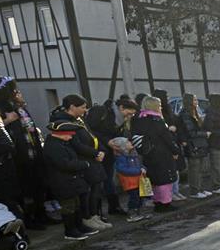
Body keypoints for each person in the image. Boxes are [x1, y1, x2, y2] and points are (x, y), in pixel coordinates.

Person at [0, 77, 48, 229]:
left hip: (32, 151)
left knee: (38, 185)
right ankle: (30, 219)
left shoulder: (17, 106)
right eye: (13, 90)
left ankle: (42, 214)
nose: (17, 92)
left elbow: (30, 127)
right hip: (17, 156)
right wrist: (6, 121)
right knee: (25, 189)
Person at [50, 94, 111, 231]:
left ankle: (95, 215)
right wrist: (95, 153)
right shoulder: (64, 122)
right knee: (87, 192)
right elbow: (76, 144)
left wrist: (101, 150)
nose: (85, 110)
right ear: (72, 107)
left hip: (93, 157)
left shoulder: (79, 119)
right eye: (83, 107)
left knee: (96, 188)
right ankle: (87, 217)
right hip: (84, 159)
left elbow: (92, 135)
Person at [42, 121, 96, 240]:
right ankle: (70, 230)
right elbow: (64, 164)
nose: (71, 137)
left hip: (71, 180)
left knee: (76, 204)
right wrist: (84, 164)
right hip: (61, 181)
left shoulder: (62, 143)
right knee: (68, 206)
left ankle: (79, 226)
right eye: (69, 134)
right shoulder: (53, 147)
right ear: (61, 133)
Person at [129, 97, 180, 213]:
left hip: (148, 154)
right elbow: (167, 139)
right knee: (165, 180)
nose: (161, 107)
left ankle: (157, 202)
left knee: (155, 179)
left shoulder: (138, 119)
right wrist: (176, 151)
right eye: (159, 105)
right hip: (162, 153)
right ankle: (165, 203)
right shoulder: (157, 120)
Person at [178, 94, 212, 199]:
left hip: (200, 144)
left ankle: (200, 188)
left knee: (201, 168)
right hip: (192, 145)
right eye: (194, 100)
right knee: (194, 169)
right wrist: (205, 134)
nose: (196, 102)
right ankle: (194, 191)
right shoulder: (185, 114)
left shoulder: (195, 113)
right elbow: (190, 132)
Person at [109, 137, 147, 221]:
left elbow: (139, 164)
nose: (130, 143)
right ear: (123, 146)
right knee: (134, 197)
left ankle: (140, 211)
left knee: (140, 196)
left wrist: (143, 168)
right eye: (127, 142)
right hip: (129, 182)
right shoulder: (121, 157)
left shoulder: (133, 153)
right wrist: (138, 171)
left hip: (138, 180)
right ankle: (132, 213)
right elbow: (122, 169)